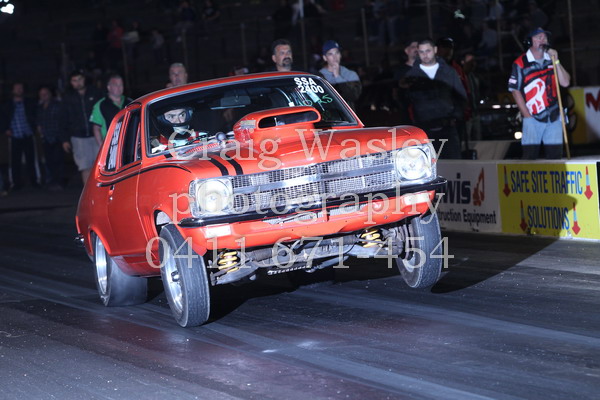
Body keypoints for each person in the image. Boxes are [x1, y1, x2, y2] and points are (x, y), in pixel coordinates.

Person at [508, 27, 570, 159]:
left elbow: (565, 82)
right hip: (532, 117)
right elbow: (515, 91)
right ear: (529, 41)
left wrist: (556, 61)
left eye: (545, 37)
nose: (543, 40)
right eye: (538, 37)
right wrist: (527, 115)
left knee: (555, 158)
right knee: (530, 157)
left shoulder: (551, 59)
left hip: (554, 116)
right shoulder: (520, 63)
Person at [405, 39, 467, 159]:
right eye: (422, 52)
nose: (425, 55)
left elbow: (461, 97)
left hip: (447, 128)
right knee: (427, 165)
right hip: (424, 130)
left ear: (435, 50)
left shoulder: (449, 72)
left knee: (452, 165)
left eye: (428, 51)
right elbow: (407, 103)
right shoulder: (411, 76)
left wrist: (455, 117)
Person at [61, 70, 102, 185]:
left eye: (79, 79)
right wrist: (64, 139)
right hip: (78, 137)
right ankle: (89, 193)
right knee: (85, 167)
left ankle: (101, 191)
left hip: (96, 135)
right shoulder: (68, 98)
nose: (78, 83)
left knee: (101, 166)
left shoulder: (95, 93)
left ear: (84, 79)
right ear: (71, 82)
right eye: (74, 80)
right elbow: (63, 119)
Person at [0, 82, 39, 189]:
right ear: (12, 90)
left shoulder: (29, 103)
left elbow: (35, 115)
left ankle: (34, 181)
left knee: (31, 160)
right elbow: (3, 117)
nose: (19, 90)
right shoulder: (7, 105)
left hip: (27, 134)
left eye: (21, 88)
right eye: (17, 88)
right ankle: (16, 183)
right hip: (15, 136)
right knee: (15, 161)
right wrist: (5, 129)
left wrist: (34, 127)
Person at [318, 40, 361, 109]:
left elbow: (354, 96)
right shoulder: (318, 77)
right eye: (330, 54)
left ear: (340, 55)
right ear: (325, 58)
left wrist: (338, 77)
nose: (335, 57)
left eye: (337, 53)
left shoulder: (350, 74)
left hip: (347, 115)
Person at [90, 75, 132, 146]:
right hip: (111, 145)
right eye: (115, 85)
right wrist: (102, 147)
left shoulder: (130, 102)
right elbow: (96, 128)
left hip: (130, 143)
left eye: (121, 84)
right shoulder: (100, 105)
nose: (119, 87)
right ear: (109, 87)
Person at [37, 86, 65, 190]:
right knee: (49, 161)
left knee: (58, 160)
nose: (44, 96)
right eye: (42, 94)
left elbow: (61, 120)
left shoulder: (57, 105)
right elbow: (39, 121)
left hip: (57, 137)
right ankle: (52, 181)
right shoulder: (40, 107)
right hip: (46, 138)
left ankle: (60, 182)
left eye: (46, 93)